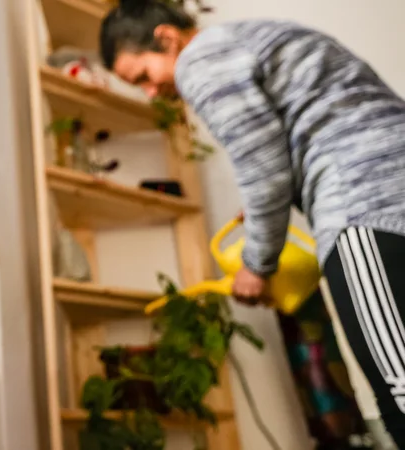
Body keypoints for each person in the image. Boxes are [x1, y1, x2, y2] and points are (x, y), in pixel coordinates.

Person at [99, 0, 405, 446]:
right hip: (389, 186)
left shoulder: (202, 58)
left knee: (398, 387)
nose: (151, 92)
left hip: (366, 203)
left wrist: (256, 264)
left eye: (144, 76)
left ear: (167, 38)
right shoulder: (256, 36)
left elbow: (265, 171)